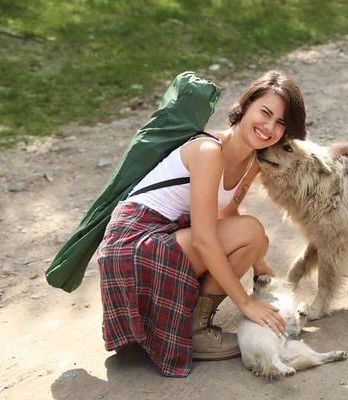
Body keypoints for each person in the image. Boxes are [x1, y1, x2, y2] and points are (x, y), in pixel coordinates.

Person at [97, 70, 307, 377]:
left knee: (256, 238)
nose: (269, 128)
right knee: (251, 232)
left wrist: (261, 264)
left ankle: (191, 319)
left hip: (165, 235)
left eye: (280, 123)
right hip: (133, 243)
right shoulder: (209, 151)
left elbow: (227, 215)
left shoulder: (251, 160)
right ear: (245, 105)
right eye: (265, 113)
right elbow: (205, 240)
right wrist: (246, 303)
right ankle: (197, 329)